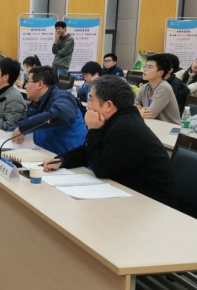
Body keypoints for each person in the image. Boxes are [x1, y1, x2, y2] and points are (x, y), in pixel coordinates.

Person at [43, 75, 177, 208]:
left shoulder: (126, 127)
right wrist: (63, 160)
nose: (88, 106)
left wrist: (93, 130)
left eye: (91, 99)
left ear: (108, 105)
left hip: (154, 203)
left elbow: (100, 168)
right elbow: (89, 149)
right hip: (131, 192)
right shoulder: (119, 118)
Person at [12, 66, 87, 155]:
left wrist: (24, 127)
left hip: (68, 158)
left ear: (39, 84)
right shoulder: (37, 102)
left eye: (28, 82)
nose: (26, 86)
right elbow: (21, 123)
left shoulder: (63, 97)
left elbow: (61, 114)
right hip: (45, 153)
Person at [135, 54, 181, 124]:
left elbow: (150, 114)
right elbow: (132, 104)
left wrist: (139, 109)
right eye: (145, 66)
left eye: (149, 67)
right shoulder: (145, 87)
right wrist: (140, 110)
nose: (145, 69)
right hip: (151, 123)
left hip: (169, 127)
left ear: (160, 73)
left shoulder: (164, 87)